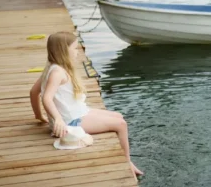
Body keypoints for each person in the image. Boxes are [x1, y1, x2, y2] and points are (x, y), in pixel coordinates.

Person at [29, 32, 144, 178]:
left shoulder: (52, 67)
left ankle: (126, 157)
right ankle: (127, 162)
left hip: (77, 112)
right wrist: (57, 120)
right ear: (64, 51)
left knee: (118, 116)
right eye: (75, 48)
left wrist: (39, 116)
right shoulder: (57, 73)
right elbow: (46, 97)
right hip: (71, 122)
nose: (77, 52)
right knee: (121, 124)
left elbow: (33, 92)